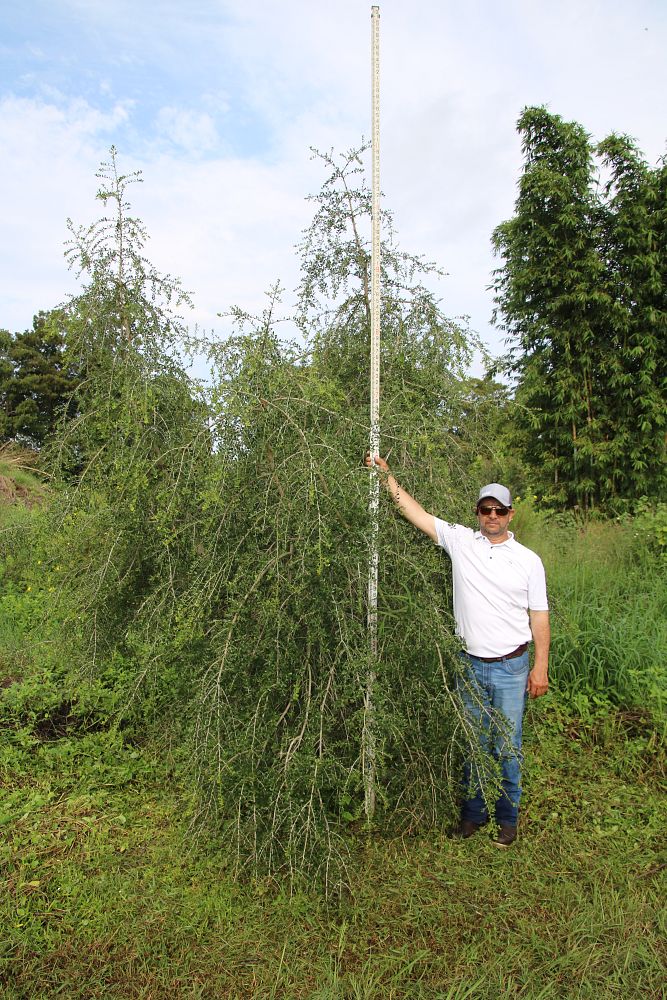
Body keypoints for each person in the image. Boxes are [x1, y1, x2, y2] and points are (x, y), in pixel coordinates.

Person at [366, 454, 550, 848]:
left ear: (510, 514)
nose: (492, 516)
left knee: (507, 747)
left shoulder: (529, 562)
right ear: (478, 513)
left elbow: (539, 618)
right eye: (486, 510)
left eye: (499, 510)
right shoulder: (461, 541)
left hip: (511, 667)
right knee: (472, 742)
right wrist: (386, 478)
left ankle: (507, 819)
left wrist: (540, 667)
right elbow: (416, 513)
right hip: (469, 665)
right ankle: (472, 816)